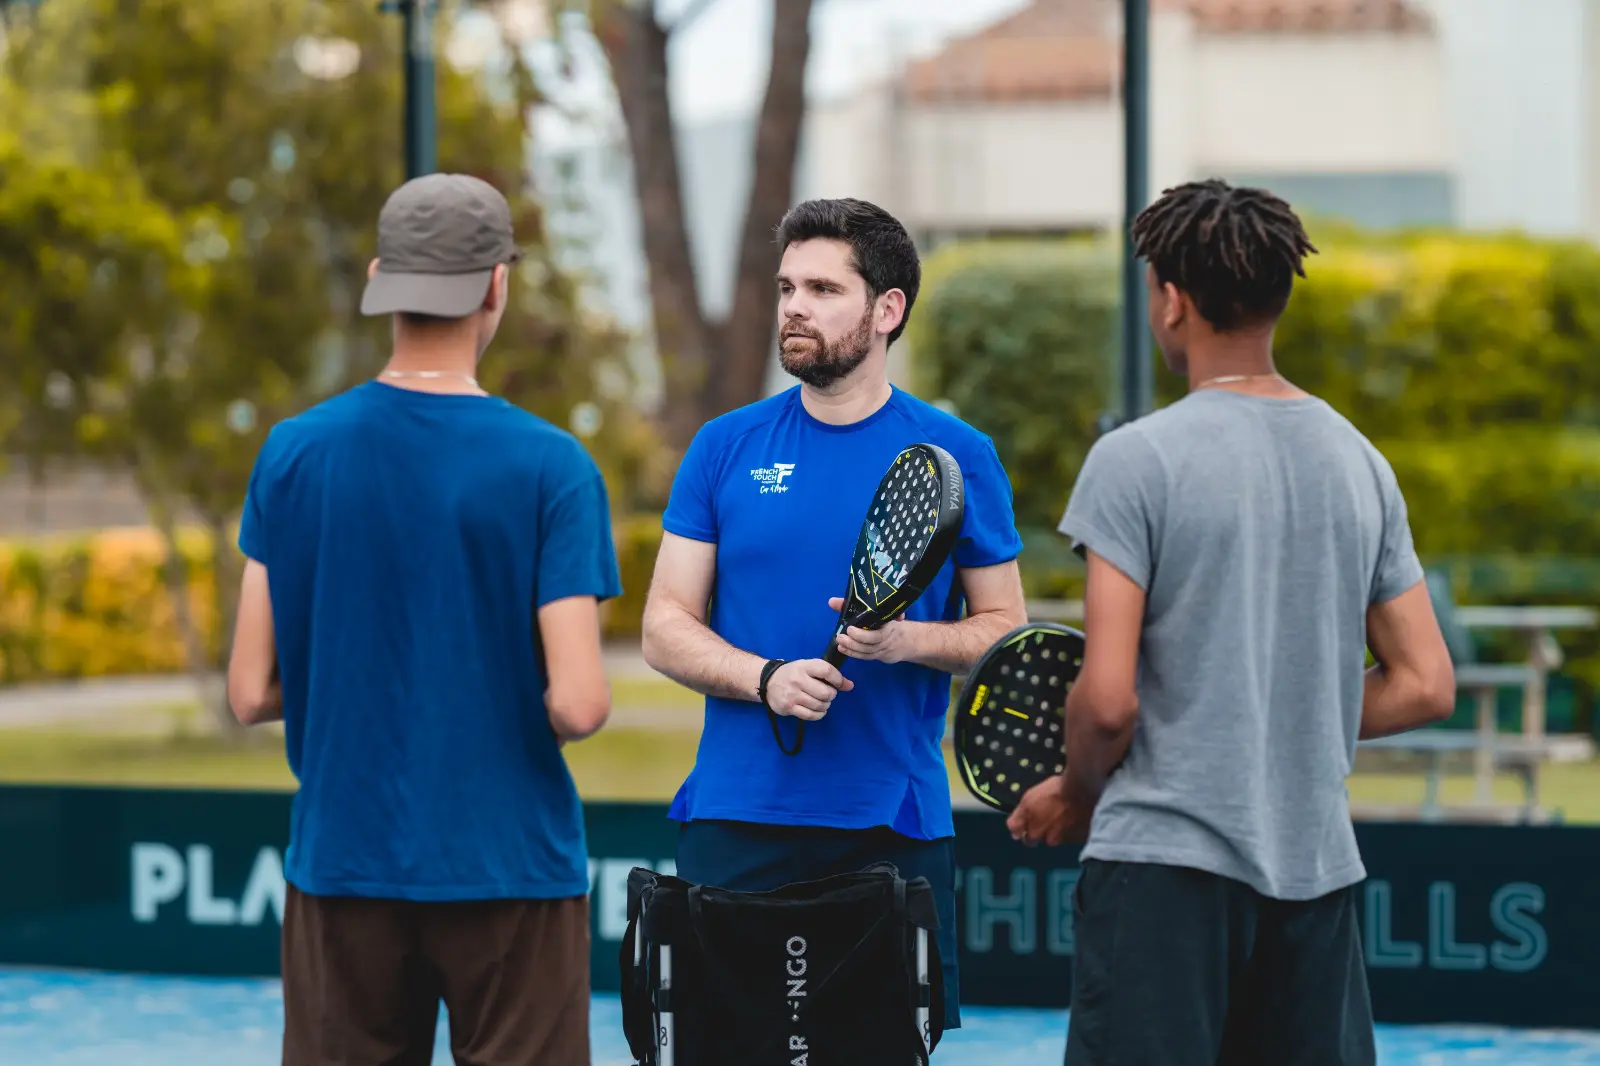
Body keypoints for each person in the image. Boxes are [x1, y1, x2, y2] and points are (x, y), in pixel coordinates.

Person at [1006, 178, 1458, 1066]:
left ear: (1171, 302)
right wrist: (1277, 711)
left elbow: (1106, 702)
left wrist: (1075, 792)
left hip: (1160, 877)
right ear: (1276, 297)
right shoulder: (1360, 462)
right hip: (1316, 879)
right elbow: (1424, 683)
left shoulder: (1134, 461)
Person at [225, 173, 621, 1066]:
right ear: (495, 285)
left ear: (380, 277)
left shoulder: (292, 453)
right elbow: (581, 704)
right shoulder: (553, 467)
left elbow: (250, 691)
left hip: (342, 864)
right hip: (510, 868)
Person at [639, 197, 1029, 1034]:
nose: (794, 307)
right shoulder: (722, 447)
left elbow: (1003, 628)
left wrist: (903, 640)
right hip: (734, 821)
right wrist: (765, 678)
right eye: (787, 287)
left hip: (891, 829)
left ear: (887, 310)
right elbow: (664, 622)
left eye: (822, 288)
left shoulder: (958, 453)